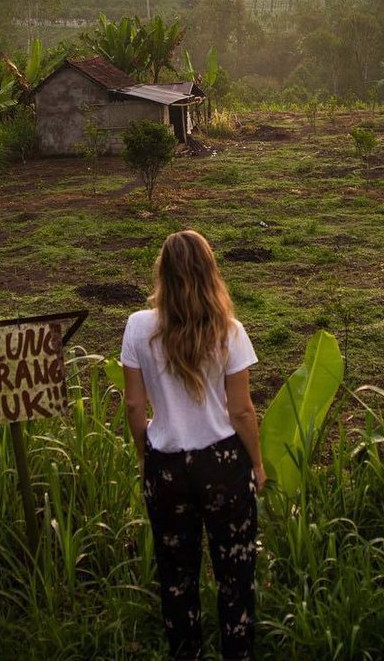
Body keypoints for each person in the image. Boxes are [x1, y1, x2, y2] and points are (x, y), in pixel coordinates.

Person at [122, 229, 265, 661]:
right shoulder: (229, 331)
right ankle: (237, 652)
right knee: (234, 572)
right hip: (222, 463)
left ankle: (186, 652)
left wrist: (145, 451)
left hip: (166, 464)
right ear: (209, 271)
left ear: (162, 272)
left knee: (176, 573)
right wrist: (257, 464)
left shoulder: (138, 326)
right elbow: (241, 412)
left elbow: (133, 403)